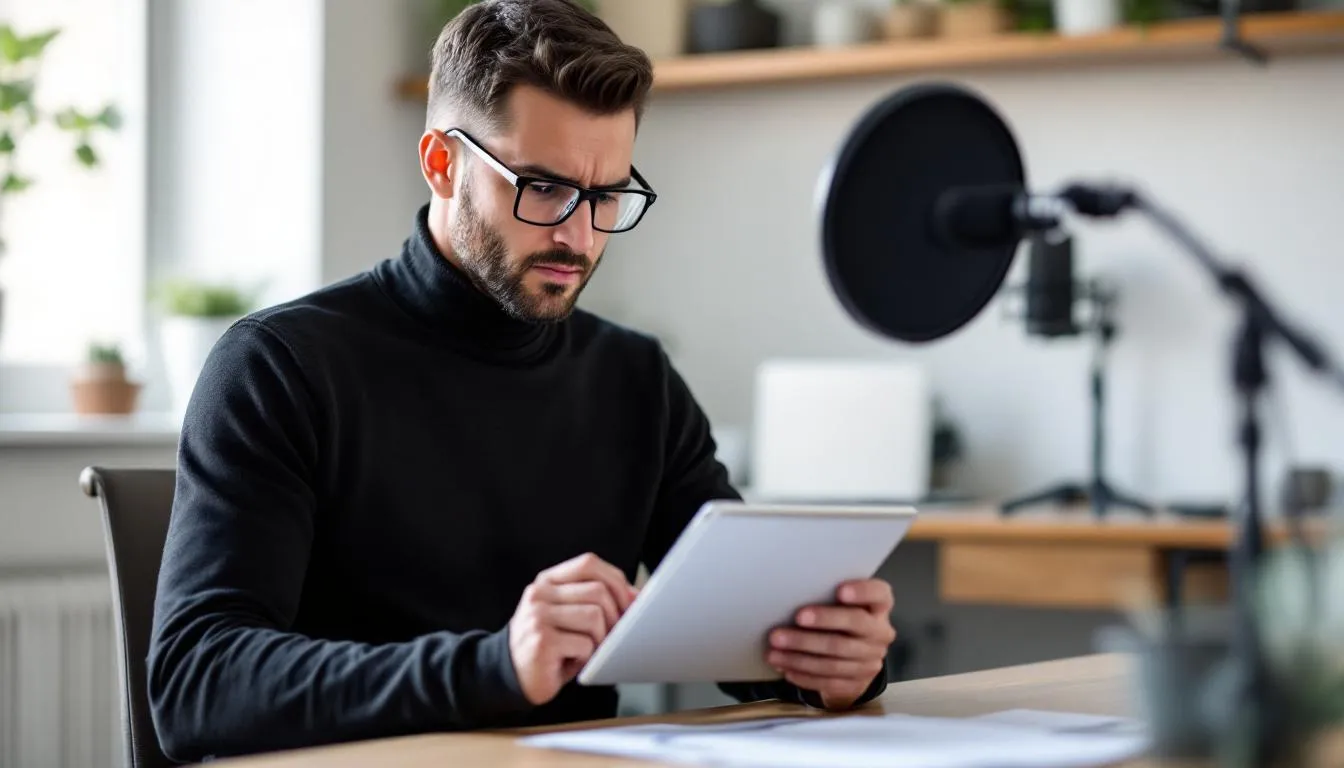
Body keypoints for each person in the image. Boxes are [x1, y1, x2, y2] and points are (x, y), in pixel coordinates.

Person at [146, 0, 897, 762]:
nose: (578, 234)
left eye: (607, 197)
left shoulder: (635, 380)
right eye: (543, 188)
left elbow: (743, 633)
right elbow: (196, 684)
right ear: (443, 163)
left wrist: (830, 662)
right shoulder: (280, 366)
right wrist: (494, 666)